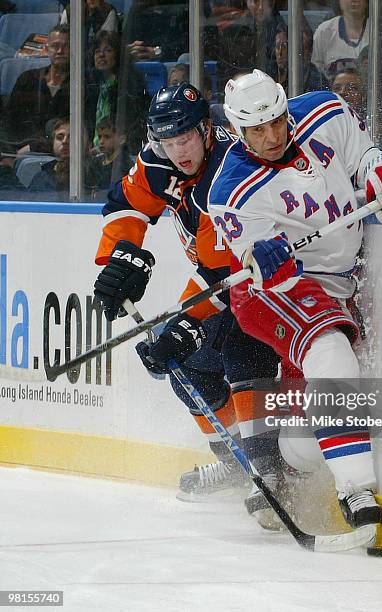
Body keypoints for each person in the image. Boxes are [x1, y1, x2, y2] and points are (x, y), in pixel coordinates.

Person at [208, 69, 382, 530]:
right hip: (269, 289)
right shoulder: (231, 191)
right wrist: (261, 256)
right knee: (329, 349)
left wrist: (380, 169)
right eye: (256, 130)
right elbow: (253, 259)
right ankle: (356, 491)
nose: (270, 136)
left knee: (304, 434)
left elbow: (364, 155)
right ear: (237, 130)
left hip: (340, 281)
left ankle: (285, 461)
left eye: (277, 122)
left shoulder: (324, 111)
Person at [92, 84, 284, 515]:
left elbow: (222, 272)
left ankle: (266, 467)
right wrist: (120, 258)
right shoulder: (159, 160)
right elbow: (126, 204)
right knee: (178, 360)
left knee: (238, 342)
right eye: (168, 141)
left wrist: (188, 320)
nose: (178, 150)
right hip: (227, 281)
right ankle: (238, 463)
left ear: (206, 130)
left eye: (186, 138)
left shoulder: (227, 171)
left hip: (269, 284)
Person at [5, 25, 70, 143]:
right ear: (46, 49)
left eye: (66, 46)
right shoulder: (27, 80)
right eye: (55, 46)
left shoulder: (81, 84)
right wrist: (8, 156)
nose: (60, 51)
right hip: (23, 153)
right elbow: (9, 122)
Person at [312, 0, 369, 81]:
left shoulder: (378, 30)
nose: (354, 0)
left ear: (367, 2)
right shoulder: (324, 31)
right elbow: (316, 70)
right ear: (338, 2)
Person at [274, 26, 328, 95]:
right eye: (277, 46)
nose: (280, 53)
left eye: (285, 46)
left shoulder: (315, 79)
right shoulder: (271, 74)